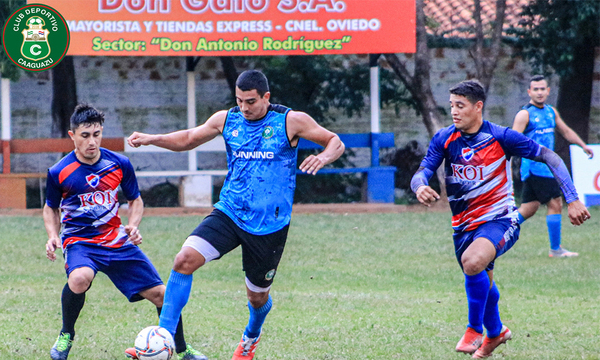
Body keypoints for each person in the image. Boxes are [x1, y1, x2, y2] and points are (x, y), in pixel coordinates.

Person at [127, 69, 344, 360]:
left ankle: (251, 337)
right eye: (240, 101)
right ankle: (163, 340)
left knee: (257, 297)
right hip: (230, 211)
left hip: (269, 225)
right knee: (183, 260)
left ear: (266, 97)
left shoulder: (290, 121)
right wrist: (153, 138)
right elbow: (189, 138)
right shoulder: (227, 119)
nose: (244, 108)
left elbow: (335, 142)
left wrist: (322, 156)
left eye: (251, 101)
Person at [411, 80, 590, 358]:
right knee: (483, 280)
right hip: (462, 227)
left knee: (473, 262)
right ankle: (496, 334)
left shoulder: (501, 137)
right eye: (452, 106)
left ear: (478, 106)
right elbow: (421, 171)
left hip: (501, 221)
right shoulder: (445, 138)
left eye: (460, 106)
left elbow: (551, 157)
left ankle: (474, 330)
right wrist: (419, 186)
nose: (454, 112)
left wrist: (573, 197)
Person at [44, 104, 206, 360]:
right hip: (80, 241)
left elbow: (136, 200)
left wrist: (133, 225)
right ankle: (66, 335)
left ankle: (183, 349)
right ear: (72, 135)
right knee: (78, 279)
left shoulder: (119, 163)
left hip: (116, 240)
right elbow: (50, 208)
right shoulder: (59, 171)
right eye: (85, 135)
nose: (92, 141)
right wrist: (53, 236)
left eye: (96, 134)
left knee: (162, 295)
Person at [512, 74, 594, 258]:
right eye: (536, 89)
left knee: (529, 208)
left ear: (548, 91)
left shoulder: (550, 112)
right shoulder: (524, 114)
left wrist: (583, 145)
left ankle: (495, 231)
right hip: (535, 167)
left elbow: (565, 130)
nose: (540, 92)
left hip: (547, 168)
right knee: (556, 203)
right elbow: (511, 141)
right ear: (529, 92)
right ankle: (555, 249)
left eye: (543, 89)